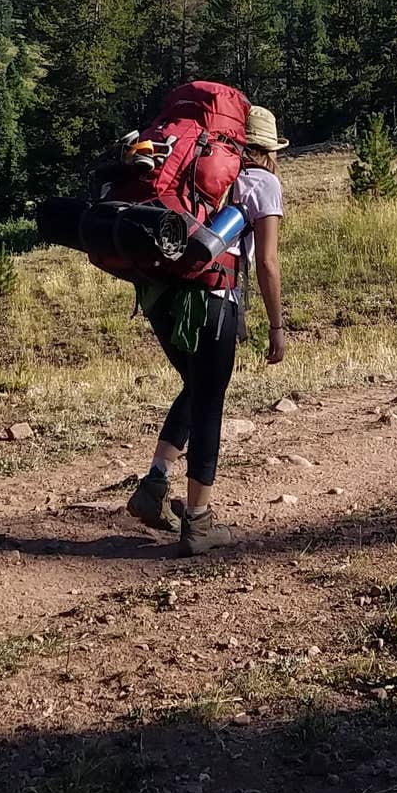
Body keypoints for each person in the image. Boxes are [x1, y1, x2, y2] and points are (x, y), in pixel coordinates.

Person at [126, 104, 289, 554]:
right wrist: (276, 326)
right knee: (210, 402)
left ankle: (155, 485)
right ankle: (198, 522)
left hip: (161, 296)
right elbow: (268, 263)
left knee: (195, 385)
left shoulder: (191, 167)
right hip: (213, 299)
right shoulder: (263, 181)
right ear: (267, 149)